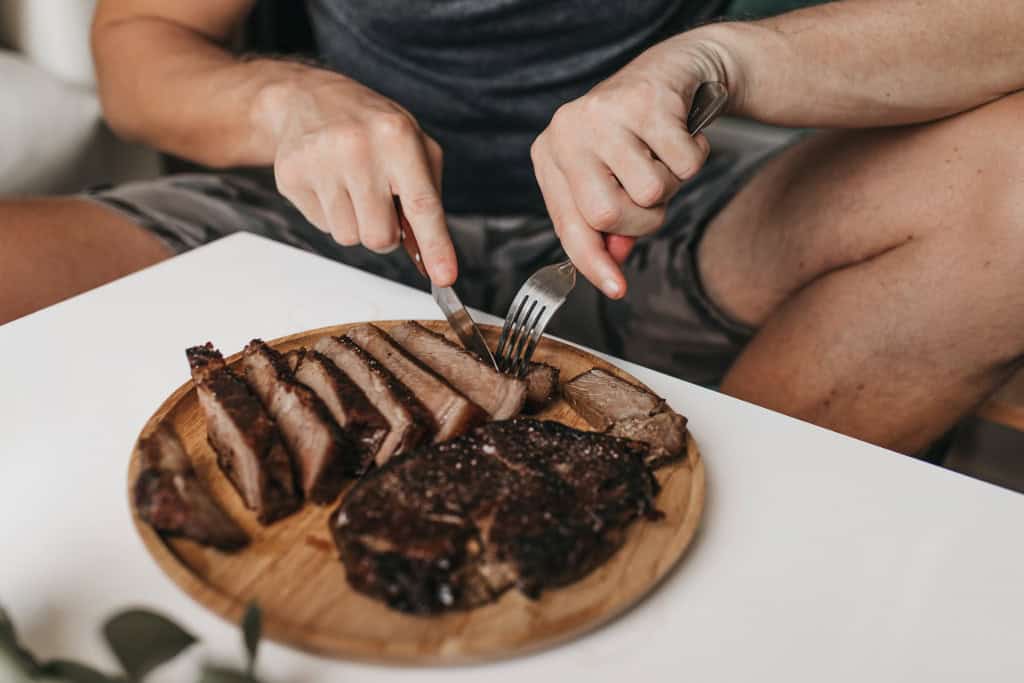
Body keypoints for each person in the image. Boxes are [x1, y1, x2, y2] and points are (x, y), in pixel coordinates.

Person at [2, 0, 1022, 456]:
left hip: (659, 219)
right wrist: (283, 105)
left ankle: (724, 529)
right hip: (314, 223)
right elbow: (138, 47)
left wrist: (720, 63)